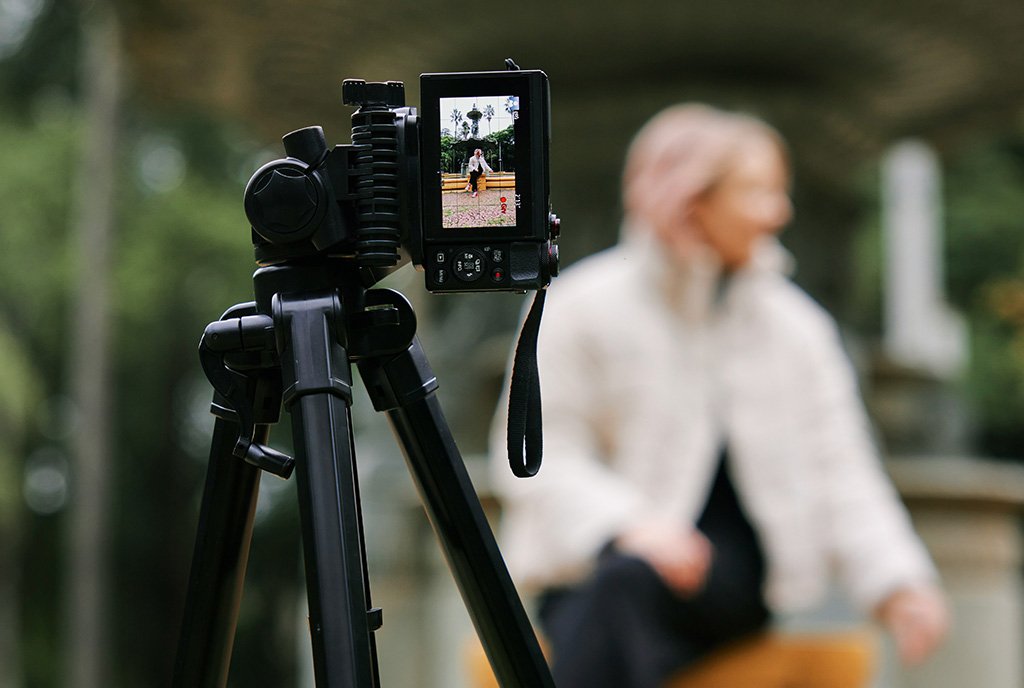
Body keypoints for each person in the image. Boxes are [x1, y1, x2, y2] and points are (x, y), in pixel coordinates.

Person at [489, 104, 948, 688]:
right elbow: (536, 456)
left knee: (614, 611)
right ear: (690, 197)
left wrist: (899, 583)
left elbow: (843, 468)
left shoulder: (796, 328)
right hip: (598, 574)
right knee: (620, 591)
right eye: (757, 191)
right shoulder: (581, 306)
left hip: (726, 589)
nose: (779, 211)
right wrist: (630, 525)